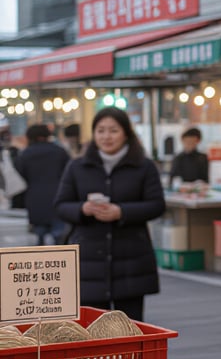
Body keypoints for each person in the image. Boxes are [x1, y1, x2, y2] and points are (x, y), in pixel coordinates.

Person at [54, 107, 165, 321]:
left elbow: (156, 205)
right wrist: (82, 209)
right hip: (88, 261)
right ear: (93, 134)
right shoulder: (77, 166)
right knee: (92, 332)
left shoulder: (144, 166)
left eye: (113, 130)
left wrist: (121, 212)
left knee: (130, 329)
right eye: (100, 130)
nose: (106, 136)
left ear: (126, 133)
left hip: (131, 259)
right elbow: (60, 205)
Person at [15, 124, 70, 245]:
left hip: (34, 200)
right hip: (57, 199)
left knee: (39, 241)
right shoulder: (60, 152)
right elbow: (69, 174)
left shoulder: (24, 154)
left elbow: (20, 176)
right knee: (60, 241)